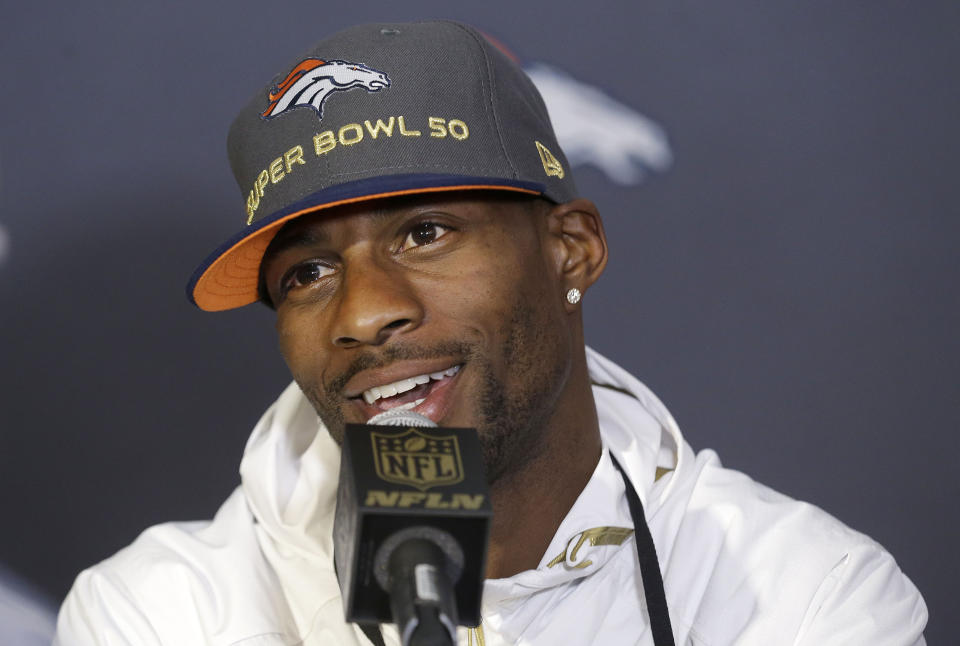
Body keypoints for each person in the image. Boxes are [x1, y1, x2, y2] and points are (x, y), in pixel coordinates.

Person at [56, 20, 927, 646]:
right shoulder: (156, 616)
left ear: (571, 250)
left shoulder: (807, 600)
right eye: (307, 274)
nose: (362, 314)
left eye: (425, 232)